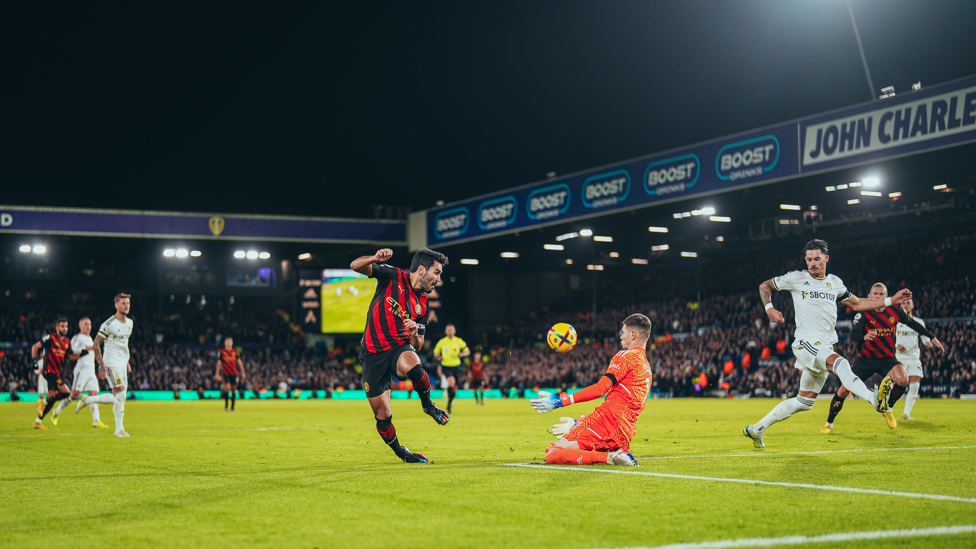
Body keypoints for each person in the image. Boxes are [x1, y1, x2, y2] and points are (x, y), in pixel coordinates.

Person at [744, 239, 913, 449]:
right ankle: (874, 399)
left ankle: (756, 429)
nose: (812, 263)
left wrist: (891, 300)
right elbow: (765, 285)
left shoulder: (835, 283)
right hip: (806, 342)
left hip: (824, 345)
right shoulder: (797, 278)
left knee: (803, 402)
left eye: (816, 259)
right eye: (809, 259)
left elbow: (859, 303)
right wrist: (769, 307)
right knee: (841, 364)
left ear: (826, 258)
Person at [350, 247, 450, 463]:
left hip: (398, 349)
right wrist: (375, 258)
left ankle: (428, 406)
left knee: (415, 367)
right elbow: (355, 266)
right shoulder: (392, 275)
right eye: (437, 272)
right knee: (383, 417)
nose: (438, 279)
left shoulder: (424, 304)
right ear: (421, 270)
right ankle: (401, 452)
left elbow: (419, 344)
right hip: (372, 354)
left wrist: (414, 334)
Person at [529, 314, 652, 467]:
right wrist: (578, 422)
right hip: (625, 433)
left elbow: (600, 389)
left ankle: (610, 457)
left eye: (623, 332)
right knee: (557, 448)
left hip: (607, 423)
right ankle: (614, 452)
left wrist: (561, 400)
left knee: (553, 454)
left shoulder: (626, 356)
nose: (621, 337)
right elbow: (622, 402)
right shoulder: (646, 367)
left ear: (633, 335)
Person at [820, 284, 943, 432]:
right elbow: (853, 336)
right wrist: (864, 336)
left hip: (887, 359)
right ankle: (829, 423)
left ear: (886, 296)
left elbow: (912, 324)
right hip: (865, 360)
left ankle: (887, 408)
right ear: (870, 296)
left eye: (881, 294)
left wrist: (932, 337)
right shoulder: (863, 313)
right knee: (843, 391)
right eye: (875, 294)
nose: (878, 297)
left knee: (903, 379)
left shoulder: (895, 310)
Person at [76, 293, 134, 437]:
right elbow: (96, 344)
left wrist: (126, 362)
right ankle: (119, 430)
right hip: (111, 362)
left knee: (119, 397)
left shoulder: (130, 323)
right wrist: (101, 365)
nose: (126, 306)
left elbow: (124, 344)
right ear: (116, 305)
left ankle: (87, 399)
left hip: (121, 363)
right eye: (123, 303)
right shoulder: (109, 324)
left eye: (128, 303)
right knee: (120, 394)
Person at [52, 317, 105, 427]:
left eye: (90, 324)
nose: (88, 326)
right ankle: (56, 412)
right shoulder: (78, 337)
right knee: (75, 395)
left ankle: (96, 420)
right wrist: (84, 350)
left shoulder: (90, 338)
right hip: (82, 370)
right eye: (85, 324)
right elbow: (71, 349)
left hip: (91, 370)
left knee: (94, 394)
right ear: (80, 326)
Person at [896, 297, 935, 420]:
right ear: (900, 306)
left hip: (913, 357)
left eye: (908, 303)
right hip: (898, 358)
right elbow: (889, 338)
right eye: (903, 303)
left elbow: (924, 337)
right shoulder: (895, 322)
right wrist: (896, 346)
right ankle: (888, 409)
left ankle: (906, 413)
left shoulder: (919, 322)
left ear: (912, 306)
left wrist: (927, 342)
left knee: (915, 385)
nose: (906, 305)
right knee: (894, 386)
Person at [31, 319, 73, 429]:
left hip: (57, 372)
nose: (64, 329)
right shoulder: (50, 338)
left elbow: (71, 356)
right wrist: (35, 363)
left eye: (66, 326)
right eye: (62, 326)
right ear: (57, 327)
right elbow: (35, 347)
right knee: (66, 392)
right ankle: (43, 402)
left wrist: (83, 353)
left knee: (52, 399)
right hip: (49, 371)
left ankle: (38, 421)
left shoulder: (67, 342)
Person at [433, 324, 470, 413]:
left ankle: (449, 404)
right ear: (445, 332)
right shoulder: (442, 342)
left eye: (451, 330)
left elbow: (467, 351)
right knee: (452, 382)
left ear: (454, 331)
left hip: (456, 366)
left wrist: (463, 354)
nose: (450, 332)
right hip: (446, 365)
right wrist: (438, 356)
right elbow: (435, 352)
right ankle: (449, 404)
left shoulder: (459, 341)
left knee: (455, 387)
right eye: (448, 330)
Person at [215, 337, 245, 411]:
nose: (228, 343)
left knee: (233, 390)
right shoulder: (222, 352)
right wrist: (217, 373)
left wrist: (243, 372)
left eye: (230, 342)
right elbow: (219, 363)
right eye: (227, 342)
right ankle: (226, 405)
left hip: (234, 374)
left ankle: (232, 407)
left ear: (232, 343)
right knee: (227, 388)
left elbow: (239, 362)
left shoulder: (234, 352)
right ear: (225, 343)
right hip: (226, 374)